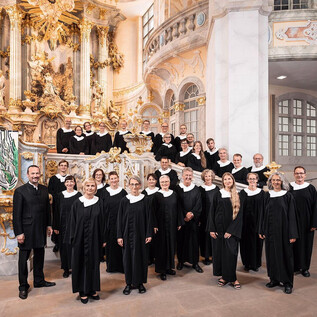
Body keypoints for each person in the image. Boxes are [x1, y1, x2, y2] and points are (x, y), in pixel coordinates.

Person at [13, 165, 56, 300]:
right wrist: (19, 232)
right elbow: (16, 214)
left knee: (39, 256)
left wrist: (49, 224)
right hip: (26, 231)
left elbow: (47, 209)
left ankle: (39, 280)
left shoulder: (44, 189)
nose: (35, 176)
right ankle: (23, 286)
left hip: (40, 229)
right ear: (27, 175)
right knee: (23, 260)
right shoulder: (20, 191)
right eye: (33, 173)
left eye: (37, 173)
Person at [68, 178, 106, 304]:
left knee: (93, 264)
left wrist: (103, 238)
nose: (90, 188)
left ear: (96, 188)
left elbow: (103, 222)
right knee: (81, 263)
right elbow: (72, 223)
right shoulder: (77, 203)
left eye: (92, 186)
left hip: (95, 238)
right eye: (88, 186)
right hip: (79, 239)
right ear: (84, 187)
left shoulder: (99, 202)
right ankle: (83, 291)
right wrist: (73, 238)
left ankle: (92, 289)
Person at [259, 172, 298, 294]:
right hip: (270, 231)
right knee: (271, 256)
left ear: (282, 182)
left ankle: (287, 283)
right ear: (270, 182)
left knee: (285, 256)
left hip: (284, 232)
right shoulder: (267, 195)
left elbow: (292, 216)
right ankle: (274, 279)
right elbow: (262, 214)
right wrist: (262, 229)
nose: (276, 182)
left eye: (278, 180)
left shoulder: (288, 196)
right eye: (273, 180)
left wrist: (292, 234)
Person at [117, 175, 152, 295]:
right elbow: (119, 220)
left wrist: (149, 233)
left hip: (141, 234)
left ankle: (140, 283)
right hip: (127, 235)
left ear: (140, 185)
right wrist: (119, 236)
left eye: (136, 184)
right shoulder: (124, 201)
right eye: (132, 184)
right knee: (128, 259)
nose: (134, 187)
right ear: (128, 186)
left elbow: (149, 218)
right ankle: (129, 283)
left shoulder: (145, 200)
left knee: (141, 258)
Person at [208, 172, 243, 290]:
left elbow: (239, 216)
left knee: (231, 254)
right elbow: (212, 211)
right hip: (218, 230)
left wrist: (231, 231)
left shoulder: (237, 195)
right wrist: (212, 228)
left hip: (231, 231)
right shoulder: (218, 194)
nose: (228, 181)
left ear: (233, 181)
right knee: (220, 254)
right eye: (225, 179)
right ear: (223, 182)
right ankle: (224, 277)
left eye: (230, 179)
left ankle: (233, 278)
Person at [153, 175, 183, 280]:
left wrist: (179, 222)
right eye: (163, 182)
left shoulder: (174, 194)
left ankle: (169, 267)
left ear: (169, 182)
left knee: (171, 246)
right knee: (162, 247)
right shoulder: (156, 195)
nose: (165, 183)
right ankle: (162, 270)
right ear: (159, 183)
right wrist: (155, 225)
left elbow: (178, 209)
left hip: (172, 224)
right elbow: (153, 212)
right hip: (160, 226)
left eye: (166, 181)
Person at [290, 166, 317, 277]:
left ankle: (304, 268)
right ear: (294, 174)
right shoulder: (289, 187)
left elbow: (316, 207)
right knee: (293, 245)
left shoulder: (311, 188)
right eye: (297, 173)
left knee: (306, 245)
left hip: (307, 222)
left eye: (301, 173)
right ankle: (294, 266)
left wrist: (314, 223)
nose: (299, 175)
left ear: (305, 175)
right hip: (293, 222)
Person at [53, 175, 81, 278]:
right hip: (63, 226)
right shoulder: (60, 195)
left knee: (74, 247)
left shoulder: (78, 195)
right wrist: (56, 226)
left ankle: (75, 267)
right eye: (67, 182)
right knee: (64, 248)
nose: (69, 184)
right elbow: (56, 211)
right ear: (65, 184)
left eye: (71, 182)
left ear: (74, 183)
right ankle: (66, 268)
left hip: (75, 226)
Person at [175, 167, 203, 273]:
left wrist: (192, 214)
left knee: (194, 242)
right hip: (182, 220)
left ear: (192, 177)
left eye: (189, 175)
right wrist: (184, 215)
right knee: (181, 241)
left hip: (193, 221)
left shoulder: (196, 189)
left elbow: (199, 204)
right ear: (182, 176)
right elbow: (177, 204)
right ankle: (181, 261)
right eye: (186, 175)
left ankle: (195, 263)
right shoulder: (177, 189)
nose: (188, 177)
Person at [99, 171, 127, 273]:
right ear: (109, 180)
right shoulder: (104, 192)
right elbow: (101, 208)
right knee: (110, 245)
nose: (114, 180)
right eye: (112, 178)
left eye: (115, 178)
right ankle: (111, 266)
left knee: (120, 244)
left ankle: (121, 267)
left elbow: (126, 207)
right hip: (108, 223)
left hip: (120, 222)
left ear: (118, 179)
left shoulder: (123, 192)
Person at [239, 173, 266, 272]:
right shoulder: (242, 192)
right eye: (250, 179)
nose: (252, 181)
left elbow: (264, 209)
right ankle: (246, 263)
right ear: (247, 180)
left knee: (257, 243)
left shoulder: (262, 193)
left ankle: (255, 264)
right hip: (245, 223)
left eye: (254, 179)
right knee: (245, 243)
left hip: (257, 223)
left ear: (257, 180)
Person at [48, 159, 71, 253]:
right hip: (57, 204)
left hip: (68, 204)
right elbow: (50, 191)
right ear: (59, 167)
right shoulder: (54, 178)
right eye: (61, 165)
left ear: (67, 167)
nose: (63, 167)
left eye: (65, 165)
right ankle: (57, 242)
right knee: (57, 222)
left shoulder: (70, 179)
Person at [199, 169, 219, 265]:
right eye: (206, 176)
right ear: (204, 177)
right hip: (203, 216)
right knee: (204, 237)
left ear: (212, 177)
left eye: (210, 176)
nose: (208, 178)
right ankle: (206, 256)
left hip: (214, 216)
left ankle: (214, 256)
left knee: (214, 236)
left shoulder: (216, 189)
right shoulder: (200, 189)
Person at [142, 173, 159, 266]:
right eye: (150, 179)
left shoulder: (159, 192)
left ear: (156, 181)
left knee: (156, 240)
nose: (151, 181)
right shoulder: (144, 193)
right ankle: (149, 258)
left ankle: (156, 257)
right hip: (147, 219)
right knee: (148, 239)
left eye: (153, 179)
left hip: (157, 219)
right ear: (147, 181)